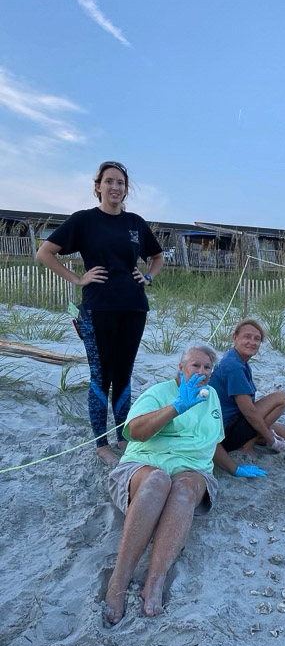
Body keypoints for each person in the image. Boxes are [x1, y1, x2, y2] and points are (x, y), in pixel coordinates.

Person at [104, 343, 263, 624]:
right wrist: (176, 407)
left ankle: (155, 579)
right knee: (158, 481)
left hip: (193, 469)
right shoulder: (159, 392)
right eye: (195, 365)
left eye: (207, 367)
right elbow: (136, 433)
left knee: (184, 489)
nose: (201, 371)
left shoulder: (210, 396)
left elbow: (210, 441)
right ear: (180, 367)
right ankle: (119, 579)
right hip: (146, 462)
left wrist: (234, 468)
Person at [36, 161, 164, 465]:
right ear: (98, 187)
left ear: (126, 189)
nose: (115, 187)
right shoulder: (84, 221)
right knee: (101, 376)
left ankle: (122, 436)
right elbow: (44, 253)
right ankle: (100, 444)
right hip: (97, 307)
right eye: (109, 181)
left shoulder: (135, 223)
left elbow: (157, 256)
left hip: (133, 307)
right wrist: (78, 278)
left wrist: (147, 277)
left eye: (120, 183)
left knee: (124, 374)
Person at [209, 319, 285, 466]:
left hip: (234, 421)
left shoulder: (238, 359)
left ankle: (253, 438)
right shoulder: (234, 366)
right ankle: (246, 445)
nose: (252, 342)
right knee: (281, 398)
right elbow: (250, 412)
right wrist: (272, 442)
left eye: (257, 339)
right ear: (235, 338)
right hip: (224, 431)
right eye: (247, 337)